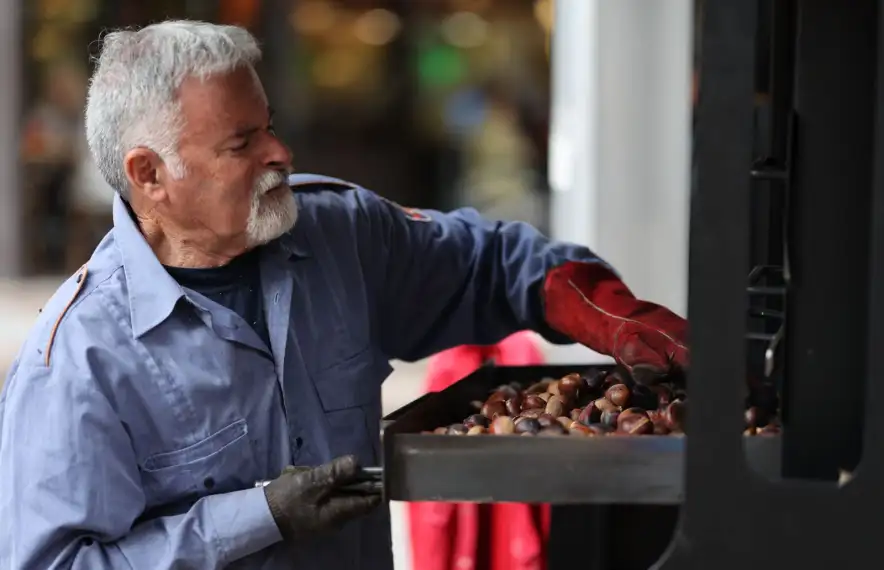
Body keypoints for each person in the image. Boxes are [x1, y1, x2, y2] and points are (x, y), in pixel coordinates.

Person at [0, 20, 688, 570]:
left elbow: (492, 264)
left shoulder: (338, 235)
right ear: (150, 174)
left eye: (270, 125)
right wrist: (258, 517)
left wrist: (604, 310)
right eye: (242, 143)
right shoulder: (77, 362)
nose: (279, 154)